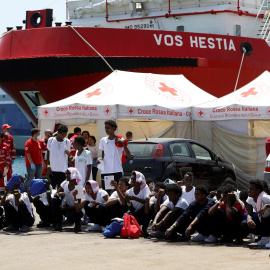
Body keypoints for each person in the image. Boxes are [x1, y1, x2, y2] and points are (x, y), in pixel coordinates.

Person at [99, 120, 131, 191]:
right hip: (106, 171)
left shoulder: (120, 140)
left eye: (108, 128)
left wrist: (123, 143)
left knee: (119, 192)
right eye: (105, 128)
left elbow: (128, 155)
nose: (106, 130)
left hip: (117, 171)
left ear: (113, 128)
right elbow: (103, 154)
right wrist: (100, 160)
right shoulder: (103, 140)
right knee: (106, 192)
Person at [51, 168, 83, 232]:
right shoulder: (64, 183)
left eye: (68, 173)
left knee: (75, 214)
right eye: (66, 173)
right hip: (65, 206)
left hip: (74, 209)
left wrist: (67, 208)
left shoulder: (79, 188)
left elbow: (79, 206)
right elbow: (55, 194)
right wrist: (59, 194)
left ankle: (78, 223)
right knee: (54, 200)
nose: (66, 175)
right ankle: (58, 223)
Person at [241, 179, 270, 247]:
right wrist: (249, 219)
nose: (248, 191)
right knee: (245, 223)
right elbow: (249, 214)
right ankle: (265, 237)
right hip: (263, 221)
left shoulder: (265, 197)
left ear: (257, 191)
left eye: (251, 189)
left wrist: (266, 205)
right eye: (249, 188)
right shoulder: (250, 199)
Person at [125, 171, 151, 236]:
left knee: (149, 206)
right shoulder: (129, 192)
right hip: (135, 214)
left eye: (134, 179)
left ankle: (144, 229)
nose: (132, 181)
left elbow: (146, 201)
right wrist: (128, 201)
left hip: (143, 213)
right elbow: (130, 209)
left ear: (139, 181)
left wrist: (133, 198)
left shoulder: (145, 188)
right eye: (132, 179)